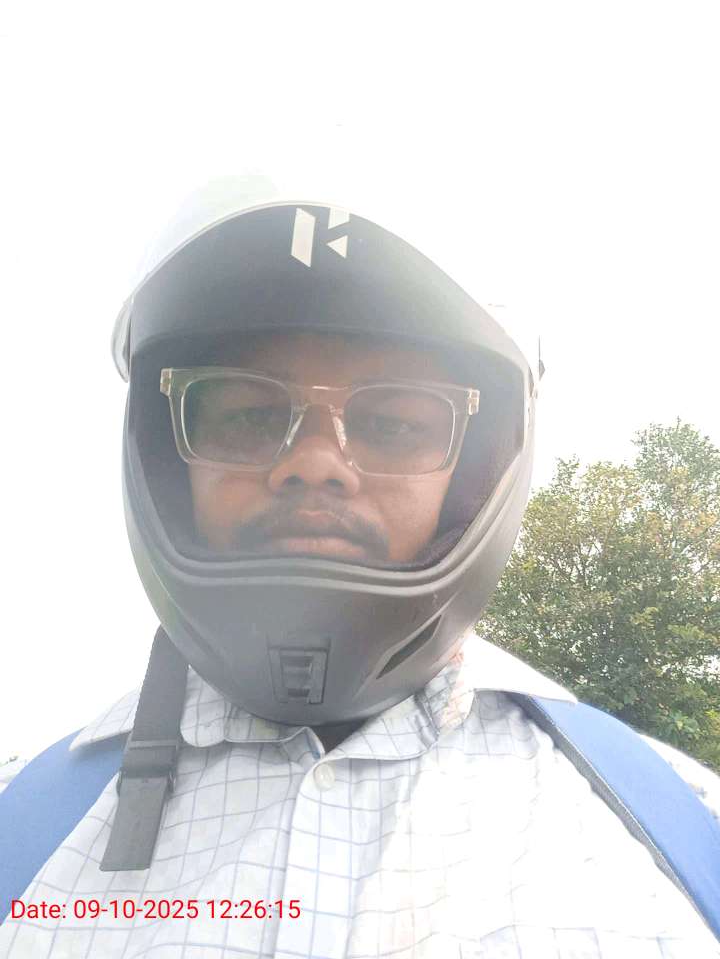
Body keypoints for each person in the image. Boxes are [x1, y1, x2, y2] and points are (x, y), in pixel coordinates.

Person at [1, 176, 719, 958]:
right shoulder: (23, 828)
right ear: (164, 456)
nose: (315, 464)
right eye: (247, 414)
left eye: (394, 422)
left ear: (479, 471)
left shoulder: (681, 837)